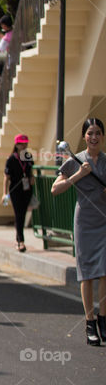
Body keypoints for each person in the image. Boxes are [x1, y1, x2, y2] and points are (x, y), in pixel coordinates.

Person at [51, 117, 106, 347]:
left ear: (102, 136)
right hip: (84, 222)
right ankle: (90, 321)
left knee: (104, 272)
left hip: (104, 221)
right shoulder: (75, 161)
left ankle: (103, 319)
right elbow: (55, 189)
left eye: (97, 133)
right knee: (87, 275)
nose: (93, 137)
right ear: (84, 136)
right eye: (89, 133)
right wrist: (78, 176)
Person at [3, 134, 34, 253]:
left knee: (22, 214)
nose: (24, 145)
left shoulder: (28, 156)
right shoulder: (11, 159)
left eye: (25, 143)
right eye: (21, 143)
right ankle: (21, 241)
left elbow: (30, 170)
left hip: (27, 189)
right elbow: (6, 177)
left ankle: (18, 239)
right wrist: (4, 193)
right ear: (16, 145)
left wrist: (32, 178)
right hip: (15, 190)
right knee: (18, 214)